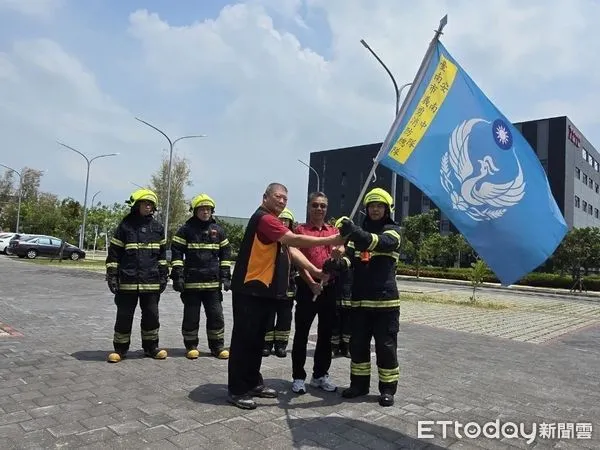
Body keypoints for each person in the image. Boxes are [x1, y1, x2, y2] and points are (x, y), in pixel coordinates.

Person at [227, 182, 345, 410]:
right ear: (265, 197)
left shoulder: (274, 222)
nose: (282, 201)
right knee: (245, 341)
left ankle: (252, 382)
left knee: (257, 340)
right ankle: (237, 389)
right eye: (278, 197)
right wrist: (331, 240)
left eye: (285, 199)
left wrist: (317, 271)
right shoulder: (264, 219)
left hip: (265, 291)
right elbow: (295, 241)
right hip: (250, 289)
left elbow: (291, 251)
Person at [335, 187, 402, 407]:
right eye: (371, 206)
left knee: (385, 348)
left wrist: (352, 231)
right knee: (358, 346)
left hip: (386, 303)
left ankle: (387, 389)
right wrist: (336, 263)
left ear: (387, 209)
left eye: (379, 206)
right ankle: (359, 385)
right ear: (366, 209)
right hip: (360, 302)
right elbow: (351, 260)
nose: (375, 209)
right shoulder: (358, 234)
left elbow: (375, 242)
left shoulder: (393, 231)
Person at [105, 189, 169, 363]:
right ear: (137, 206)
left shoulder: (157, 228)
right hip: (128, 281)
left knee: (151, 316)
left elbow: (162, 256)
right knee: (124, 316)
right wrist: (112, 274)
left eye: (151, 205)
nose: (148, 207)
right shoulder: (125, 226)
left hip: (151, 282)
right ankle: (120, 349)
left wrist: (164, 275)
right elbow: (114, 253)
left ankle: (151, 348)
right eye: (145, 204)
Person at [290, 192, 343, 395]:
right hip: (307, 289)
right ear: (308, 207)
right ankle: (298, 377)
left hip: (329, 289)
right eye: (315, 205)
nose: (319, 209)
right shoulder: (300, 231)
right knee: (302, 333)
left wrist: (339, 255)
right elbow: (297, 261)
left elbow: (341, 252)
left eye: (322, 206)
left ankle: (320, 374)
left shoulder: (334, 231)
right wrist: (312, 283)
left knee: (326, 334)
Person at [170, 194, 232, 360]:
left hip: (212, 283)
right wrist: (178, 276)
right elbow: (176, 252)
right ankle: (191, 346)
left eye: (208, 209)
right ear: (195, 211)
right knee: (191, 316)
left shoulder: (218, 230)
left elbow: (226, 254)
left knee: (216, 315)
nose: (206, 212)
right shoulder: (186, 230)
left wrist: (226, 276)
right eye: (202, 209)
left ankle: (217, 346)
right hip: (191, 283)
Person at [263, 207, 297, 358]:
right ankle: (266, 344)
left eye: (286, 220)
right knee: (268, 317)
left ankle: (281, 345)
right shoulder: (269, 240)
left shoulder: (294, 242)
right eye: (280, 220)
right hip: (270, 288)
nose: (283, 222)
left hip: (287, 288)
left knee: (285, 318)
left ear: (291, 223)